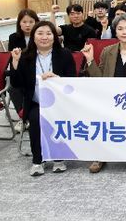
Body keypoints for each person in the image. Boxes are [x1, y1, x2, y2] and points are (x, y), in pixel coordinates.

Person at [82, 14, 126, 173]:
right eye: (120, 29)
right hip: (110, 100)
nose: (125, 32)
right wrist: (90, 60)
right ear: (115, 32)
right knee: (99, 119)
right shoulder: (107, 51)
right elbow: (100, 79)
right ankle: (100, 155)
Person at [10, 21, 76, 176]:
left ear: (54, 37)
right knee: (35, 119)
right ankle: (37, 160)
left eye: (48, 33)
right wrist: (15, 62)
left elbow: (72, 81)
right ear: (33, 37)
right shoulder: (25, 56)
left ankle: (59, 158)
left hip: (60, 103)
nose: (44, 37)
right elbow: (16, 84)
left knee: (57, 120)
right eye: (40, 33)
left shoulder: (65, 54)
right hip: (36, 102)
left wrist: (57, 79)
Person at [7, 9, 40, 129]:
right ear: (19, 23)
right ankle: (23, 117)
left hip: (37, 71)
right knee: (13, 88)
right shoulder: (13, 38)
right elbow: (12, 58)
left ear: (36, 22)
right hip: (21, 71)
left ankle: (33, 115)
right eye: (24, 22)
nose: (27, 25)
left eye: (31, 22)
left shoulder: (40, 36)